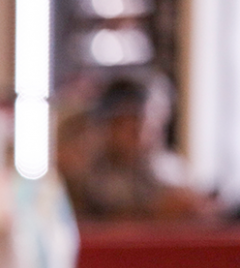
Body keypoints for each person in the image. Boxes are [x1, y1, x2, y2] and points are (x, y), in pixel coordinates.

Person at [63, 77, 216, 222]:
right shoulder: (83, 172)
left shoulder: (169, 167)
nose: (145, 132)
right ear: (108, 124)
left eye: (153, 121)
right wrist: (157, 213)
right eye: (130, 122)